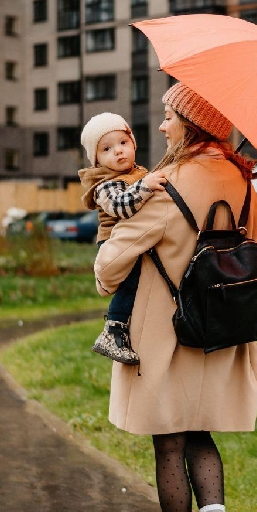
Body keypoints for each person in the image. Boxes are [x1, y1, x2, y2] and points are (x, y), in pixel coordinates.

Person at [94, 83, 257, 512]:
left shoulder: (165, 184)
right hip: (220, 332)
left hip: (165, 335)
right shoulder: (244, 180)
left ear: (191, 123)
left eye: (170, 115)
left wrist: (105, 252)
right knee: (202, 435)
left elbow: (110, 266)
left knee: (169, 443)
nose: (163, 125)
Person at [78, 113, 166, 364]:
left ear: (133, 143)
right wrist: (146, 186)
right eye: (107, 149)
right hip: (114, 242)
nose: (118, 152)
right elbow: (120, 207)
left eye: (123, 143)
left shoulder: (138, 173)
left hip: (133, 239)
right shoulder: (105, 183)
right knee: (130, 281)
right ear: (97, 160)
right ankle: (113, 329)